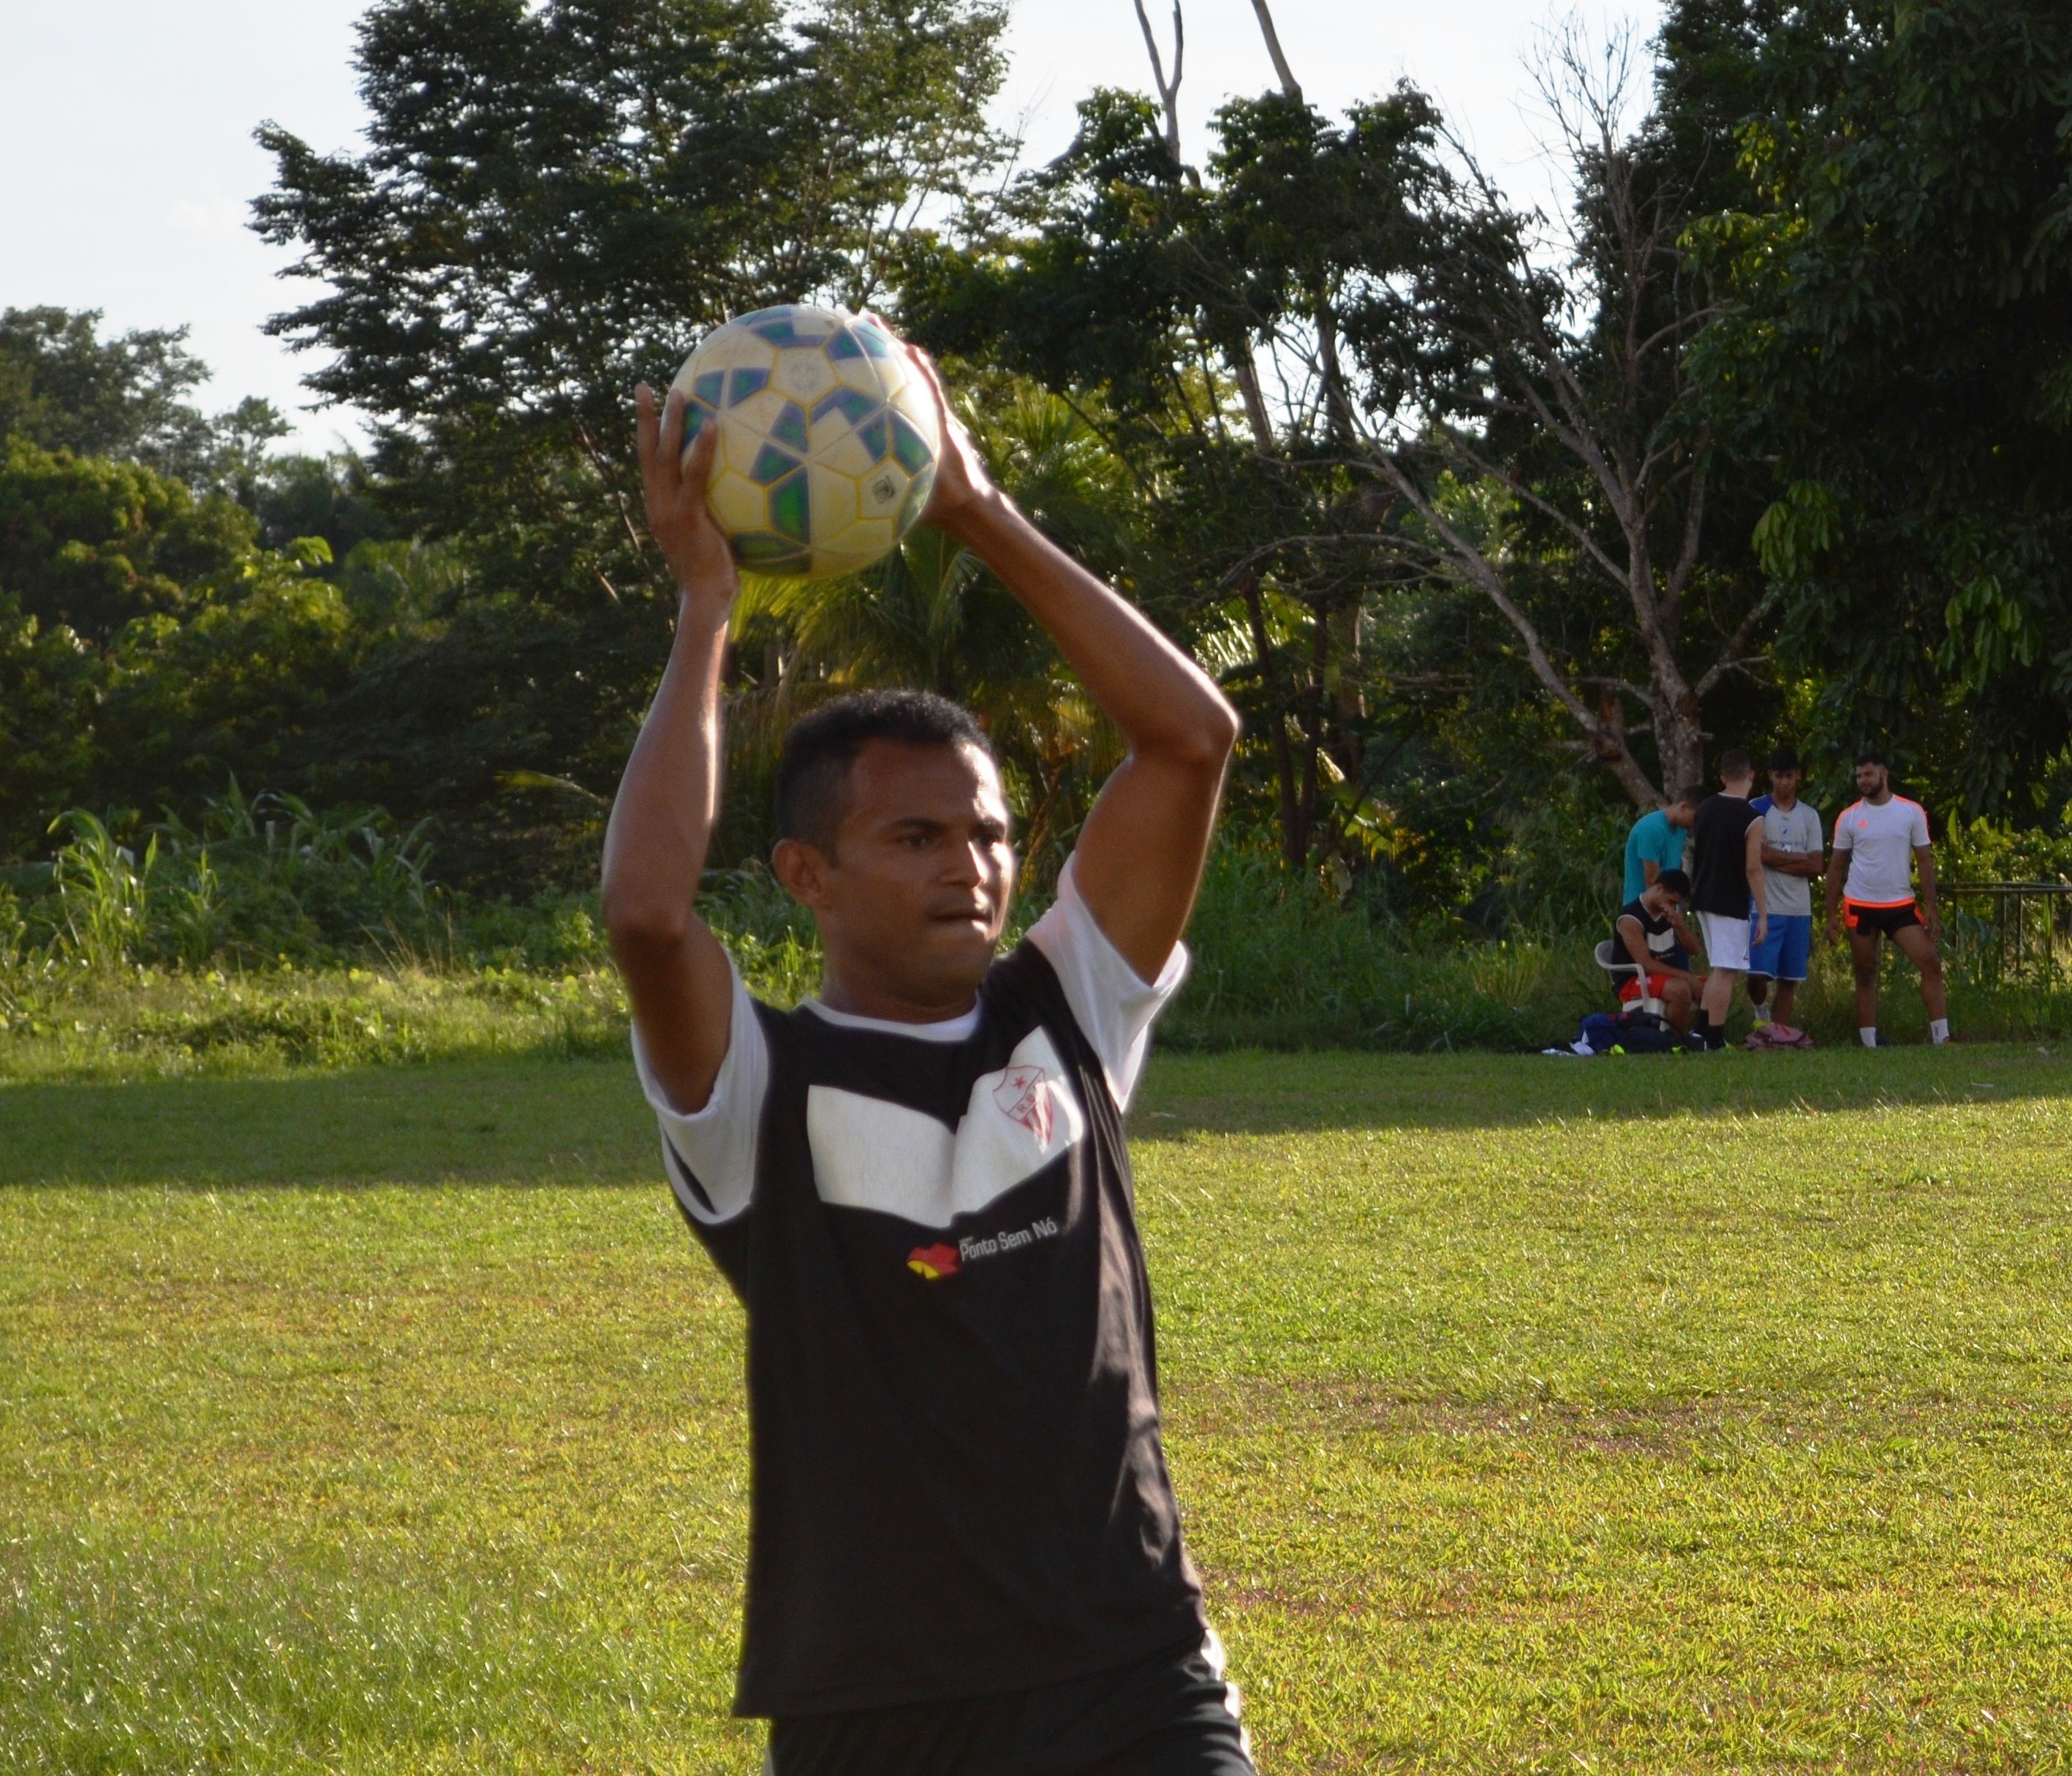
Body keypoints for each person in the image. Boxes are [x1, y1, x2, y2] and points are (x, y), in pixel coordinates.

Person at [600, 343, 1254, 1776]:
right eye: (914, 836)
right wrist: (706, 602)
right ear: (806, 873)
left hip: (1130, 1659)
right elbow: (648, 914)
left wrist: (975, 507)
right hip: (873, 1700)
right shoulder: (755, 1094)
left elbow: (1190, 739)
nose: (970, 867)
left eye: (990, 834)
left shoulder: (1067, 1004)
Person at [1826, 749, 1950, 1047]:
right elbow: (1836, 867)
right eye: (1858, 776)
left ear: (1884, 775)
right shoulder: (1850, 817)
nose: (1862, 781)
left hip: (1901, 905)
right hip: (1860, 905)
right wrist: (1830, 915)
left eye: (1868, 774)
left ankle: (1942, 1037)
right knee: (1866, 973)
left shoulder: (1911, 812)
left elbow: (1925, 861)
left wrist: (1931, 907)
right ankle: (1869, 1043)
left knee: (1930, 962)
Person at [1685, 750, 1769, 1050]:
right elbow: (1753, 868)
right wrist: (1763, 912)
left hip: (1703, 895)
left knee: (1718, 965)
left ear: (1722, 776)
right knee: (1727, 969)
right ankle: (1716, 1038)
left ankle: (1700, 1032)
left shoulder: (1705, 808)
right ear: (1751, 775)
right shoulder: (1752, 817)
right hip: (1729, 899)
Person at [1746, 747, 1825, 1036]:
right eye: (1779, 776)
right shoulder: (1756, 808)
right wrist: (1797, 860)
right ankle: (1760, 1011)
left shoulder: (1809, 816)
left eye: (1789, 776)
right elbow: (1757, 855)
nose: (1784, 783)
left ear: (1798, 776)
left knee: (1789, 978)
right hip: (1765, 906)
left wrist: (1774, 856)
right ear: (1770, 776)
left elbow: (1816, 865)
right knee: (1757, 974)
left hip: (1799, 908)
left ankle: (1778, 1034)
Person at [1610, 866, 1704, 1034]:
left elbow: (1695, 950)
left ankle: (1705, 1037)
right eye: (1670, 901)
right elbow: (1645, 963)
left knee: (1712, 987)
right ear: (1658, 888)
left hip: (1666, 975)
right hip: (1634, 979)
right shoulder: (1631, 919)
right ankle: (1677, 1040)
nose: (1672, 906)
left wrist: (1681, 926)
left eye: (1676, 903)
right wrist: (1686, 976)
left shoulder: (1668, 914)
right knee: (1681, 989)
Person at [1621, 787, 1702, 903]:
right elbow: (1652, 881)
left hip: (1667, 905)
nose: (1695, 824)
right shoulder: (1652, 828)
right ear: (1684, 807)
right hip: (1643, 907)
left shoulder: (1681, 831)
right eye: (1695, 818)